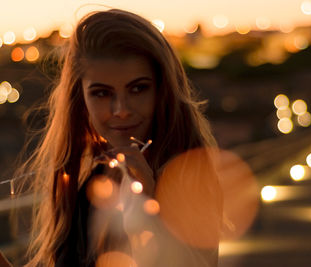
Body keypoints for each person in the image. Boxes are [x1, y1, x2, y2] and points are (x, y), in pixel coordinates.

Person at [16, 9, 222, 267]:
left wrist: (149, 208)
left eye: (138, 88)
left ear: (162, 90)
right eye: (102, 93)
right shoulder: (91, 177)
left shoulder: (184, 174)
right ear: (81, 100)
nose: (121, 109)